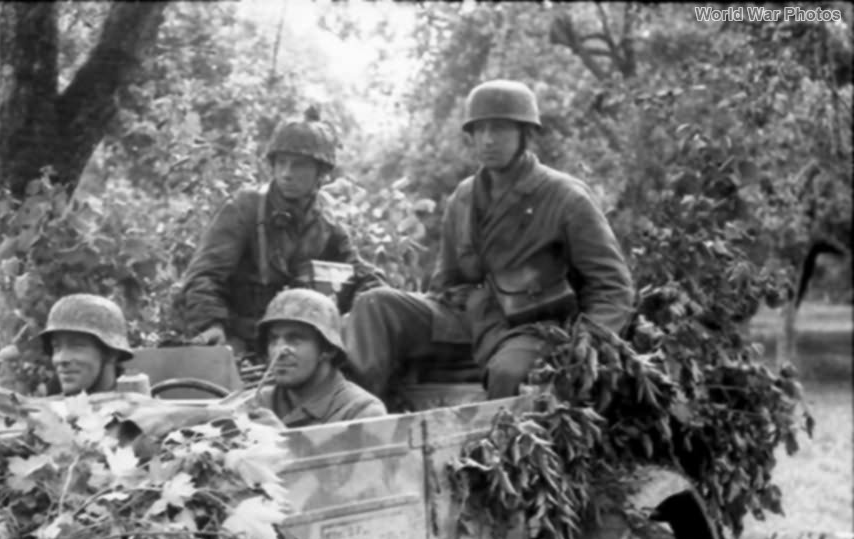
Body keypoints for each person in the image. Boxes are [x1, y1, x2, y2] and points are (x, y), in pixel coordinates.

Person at [344, 79, 634, 400]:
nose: (488, 140)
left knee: (507, 374)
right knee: (375, 304)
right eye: (479, 130)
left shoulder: (566, 197)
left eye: (499, 129)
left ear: (525, 135)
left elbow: (612, 287)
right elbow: (445, 283)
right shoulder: (464, 197)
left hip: (532, 326)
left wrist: (587, 345)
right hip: (468, 318)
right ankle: (359, 418)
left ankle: (495, 449)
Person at [176, 107, 382, 356]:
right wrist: (210, 324)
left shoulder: (328, 224)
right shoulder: (245, 208)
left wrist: (363, 312)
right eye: (281, 163)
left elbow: (362, 277)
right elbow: (204, 275)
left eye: (298, 165)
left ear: (321, 173)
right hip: (238, 337)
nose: (286, 173)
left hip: (299, 343)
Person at [236, 288, 386, 428]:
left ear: (328, 349)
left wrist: (282, 441)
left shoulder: (360, 412)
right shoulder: (259, 402)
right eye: (274, 339)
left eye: (294, 339)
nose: (279, 351)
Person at [38, 293, 132, 395]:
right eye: (56, 347)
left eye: (76, 346)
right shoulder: (51, 408)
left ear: (111, 353)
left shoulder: (140, 408)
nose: (61, 359)